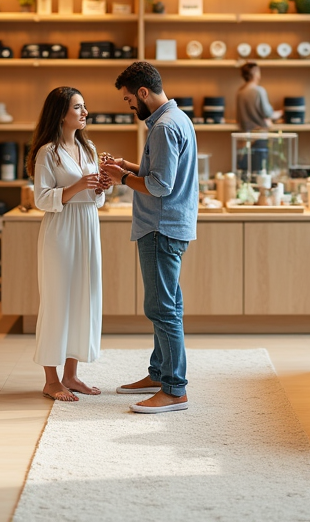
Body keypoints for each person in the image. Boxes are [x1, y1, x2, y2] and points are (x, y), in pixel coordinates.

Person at [102, 62, 198, 414]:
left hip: (161, 228)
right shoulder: (176, 119)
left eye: (130, 100)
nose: (130, 107)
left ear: (143, 92)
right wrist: (127, 166)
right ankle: (159, 374)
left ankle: (174, 389)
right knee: (168, 305)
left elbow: (159, 186)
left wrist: (122, 180)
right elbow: (159, 173)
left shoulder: (163, 128)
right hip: (169, 226)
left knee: (162, 309)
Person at [28, 86, 111, 402]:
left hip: (88, 225)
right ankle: (51, 381)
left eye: (84, 106)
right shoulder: (47, 153)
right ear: (61, 113)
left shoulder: (88, 147)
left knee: (84, 297)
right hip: (60, 230)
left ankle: (72, 375)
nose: (85, 112)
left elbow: (96, 199)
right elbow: (41, 198)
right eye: (78, 107)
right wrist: (77, 186)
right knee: (58, 298)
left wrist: (100, 188)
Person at [236, 61, 282, 131]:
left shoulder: (240, 92)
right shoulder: (259, 91)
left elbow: (238, 118)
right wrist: (281, 113)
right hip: (259, 133)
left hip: (244, 134)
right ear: (255, 74)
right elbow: (267, 113)